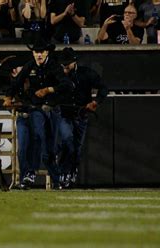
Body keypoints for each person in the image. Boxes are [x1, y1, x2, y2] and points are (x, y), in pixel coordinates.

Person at [7, 38, 63, 189]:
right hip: (36, 109)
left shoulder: (54, 66)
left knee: (50, 148)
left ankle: (58, 179)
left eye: (41, 52)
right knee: (37, 137)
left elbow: (66, 84)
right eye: (36, 52)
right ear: (33, 53)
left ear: (46, 53)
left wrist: (48, 89)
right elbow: (17, 81)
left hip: (53, 110)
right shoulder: (29, 66)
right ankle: (30, 174)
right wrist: (8, 96)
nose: (39, 55)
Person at [54, 47, 108, 188]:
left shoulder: (87, 73)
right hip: (64, 114)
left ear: (74, 62)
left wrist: (95, 102)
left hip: (81, 115)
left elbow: (103, 88)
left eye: (67, 64)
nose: (65, 67)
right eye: (63, 64)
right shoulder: (58, 75)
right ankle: (63, 174)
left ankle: (70, 173)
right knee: (67, 141)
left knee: (76, 149)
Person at [0, 55, 36, 189]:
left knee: (36, 146)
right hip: (22, 116)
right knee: (22, 149)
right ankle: (24, 179)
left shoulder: (33, 79)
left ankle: (31, 175)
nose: (22, 69)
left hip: (36, 116)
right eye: (18, 68)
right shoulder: (13, 82)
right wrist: (2, 64)